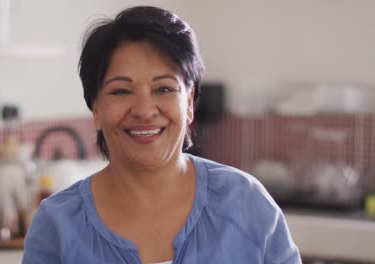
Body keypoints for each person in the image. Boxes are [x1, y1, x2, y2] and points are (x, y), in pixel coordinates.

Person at [23, 6, 301, 264]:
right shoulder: (58, 225)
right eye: (121, 91)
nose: (144, 111)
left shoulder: (245, 203)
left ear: (190, 103)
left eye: (164, 89)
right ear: (95, 107)